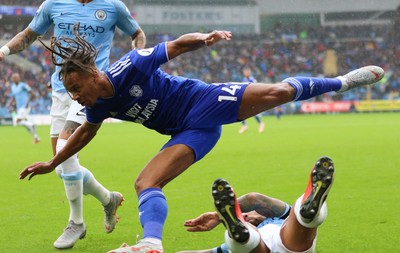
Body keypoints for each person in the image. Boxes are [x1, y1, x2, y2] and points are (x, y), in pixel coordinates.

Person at [18, 27, 383, 253]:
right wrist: (52, 162)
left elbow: (174, 46)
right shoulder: (98, 105)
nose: (76, 96)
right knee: (146, 181)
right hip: (190, 132)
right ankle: (151, 244)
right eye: (70, 92)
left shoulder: (130, 65)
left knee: (275, 92)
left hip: (202, 100)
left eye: (75, 88)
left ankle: (343, 82)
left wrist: (204, 40)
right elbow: (86, 132)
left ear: (92, 74)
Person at [1, 0, 146, 249]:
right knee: (61, 165)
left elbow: (137, 34)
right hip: (60, 91)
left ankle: (76, 222)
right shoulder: (52, 5)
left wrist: (138, 58)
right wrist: (3, 51)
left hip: (91, 90)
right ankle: (107, 198)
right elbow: (28, 35)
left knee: (64, 154)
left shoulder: (113, 7)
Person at [178, 156, 335, 253]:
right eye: (244, 218)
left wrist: (218, 216)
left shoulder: (278, 216)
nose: (248, 218)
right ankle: (242, 233)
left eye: (246, 216)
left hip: (278, 241)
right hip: (288, 248)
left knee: (300, 214)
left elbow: (254, 199)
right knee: (245, 241)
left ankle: (309, 211)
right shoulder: (280, 218)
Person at [8, 72, 40, 144]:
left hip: (25, 106)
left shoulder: (23, 85)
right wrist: (10, 103)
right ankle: (36, 137)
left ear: (19, 78)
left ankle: (32, 124)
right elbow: (14, 96)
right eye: (14, 78)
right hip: (19, 108)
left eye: (17, 77)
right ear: (13, 79)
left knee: (18, 121)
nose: (16, 79)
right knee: (26, 126)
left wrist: (27, 103)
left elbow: (32, 93)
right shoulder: (13, 87)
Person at [238, 67, 265, 134]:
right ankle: (245, 126)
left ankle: (261, 124)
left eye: (247, 71)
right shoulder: (244, 79)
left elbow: (256, 89)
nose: (245, 73)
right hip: (246, 99)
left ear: (249, 72)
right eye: (245, 72)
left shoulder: (252, 80)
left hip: (252, 98)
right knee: (241, 111)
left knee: (253, 112)